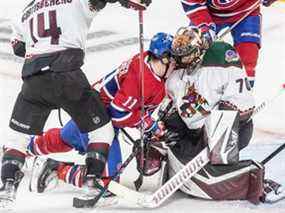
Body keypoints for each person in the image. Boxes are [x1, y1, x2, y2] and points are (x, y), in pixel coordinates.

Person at [0, 0, 151, 209]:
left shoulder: (25, 10)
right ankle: (91, 183)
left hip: (34, 80)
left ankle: (7, 189)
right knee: (102, 131)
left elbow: (18, 47)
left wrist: (41, 46)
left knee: (17, 139)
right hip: (67, 76)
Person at [26, 32, 175, 196]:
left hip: (89, 108)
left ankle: (20, 149)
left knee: (64, 138)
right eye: (174, 60)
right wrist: (149, 125)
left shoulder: (148, 61)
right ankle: (56, 169)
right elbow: (118, 115)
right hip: (99, 121)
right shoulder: (142, 79)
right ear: (164, 59)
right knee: (105, 184)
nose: (176, 65)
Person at [152, 26, 283, 204]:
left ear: (199, 50)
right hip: (196, 131)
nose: (181, 59)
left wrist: (218, 126)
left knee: (222, 122)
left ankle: (257, 182)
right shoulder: (177, 70)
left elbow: (243, 102)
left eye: (186, 55)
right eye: (178, 55)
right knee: (168, 122)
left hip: (232, 130)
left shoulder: (221, 56)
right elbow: (169, 101)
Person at [180, 0, 279, 87]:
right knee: (193, 51)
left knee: (248, 53)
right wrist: (204, 25)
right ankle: (186, 88)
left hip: (246, 12)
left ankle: (242, 96)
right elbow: (192, 2)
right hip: (209, 14)